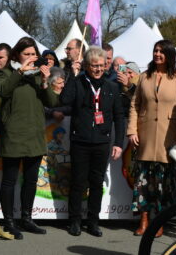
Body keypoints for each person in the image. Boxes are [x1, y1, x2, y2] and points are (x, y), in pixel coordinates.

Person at [0, 37, 58, 240]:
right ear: (17, 55)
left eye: (34, 54)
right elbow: (2, 91)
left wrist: (46, 81)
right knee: (9, 180)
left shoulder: (38, 76)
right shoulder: (7, 72)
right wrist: (20, 71)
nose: (31, 58)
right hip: (13, 135)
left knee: (31, 181)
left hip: (34, 135)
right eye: (27, 54)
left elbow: (52, 101)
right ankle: (8, 221)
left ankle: (26, 218)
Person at [60, 46, 125, 237]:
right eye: (94, 66)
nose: (98, 69)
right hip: (80, 140)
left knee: (96, 183)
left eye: (101, 65)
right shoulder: (78, 82)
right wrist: (72, 75)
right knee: (78, 182)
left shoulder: (112, 87)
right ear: (87, 66)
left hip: (102, 142)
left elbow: (119, 117)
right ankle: (74, 220)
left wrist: (118, 143)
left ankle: (93, 221)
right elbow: (64, 99)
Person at [127, 40, 176, 237]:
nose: (157, 54)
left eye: (162, 51)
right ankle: (144, 220)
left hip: (168, 138)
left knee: (164, 183)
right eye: (155, 50)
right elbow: (135, 104)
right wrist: (132, 131)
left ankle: (158, 221)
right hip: (144, 136)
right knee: (143, 181)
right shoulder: (144, 76)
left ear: (169, 55)